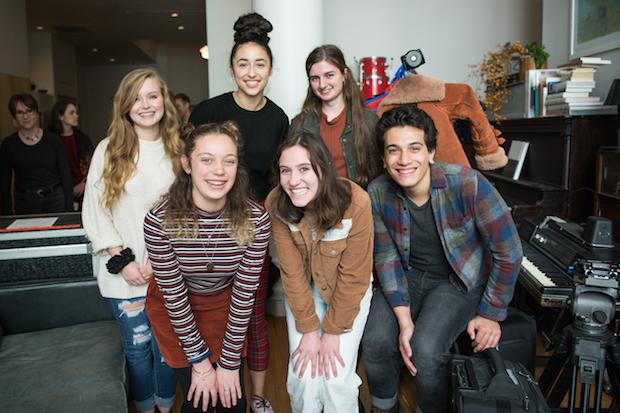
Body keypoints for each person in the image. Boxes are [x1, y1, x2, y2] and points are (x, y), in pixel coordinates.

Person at [361, 105, 523, 413]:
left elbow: (509, 252)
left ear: (431, 152)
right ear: (383, 158)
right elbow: (385, 258)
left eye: (414, 148)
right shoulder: (378, 192)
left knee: (426, 350)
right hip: (406, 275)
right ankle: (384, 408)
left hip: (457, 281)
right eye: (393, 150)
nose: (404, 160)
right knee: (375, 341)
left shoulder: (467, 184)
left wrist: (491, 314)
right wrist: (404, 321)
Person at [189, 12, 289, 413]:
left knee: (252, 320)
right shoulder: (207, 112)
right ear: (231, 69)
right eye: (243, 64)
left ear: (270, 69)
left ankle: (259, 397)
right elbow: (187, 171)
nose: (252, 72)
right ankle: (213, 386)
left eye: (259, 64)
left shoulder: (279, 118)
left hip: (254, 234)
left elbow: (280, 181)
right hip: (206, 232)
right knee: (208, 314)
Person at [144, 122, 271, 413]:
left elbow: (244, 295)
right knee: (199, 398)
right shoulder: (159, 221)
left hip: (225, 306)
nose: (219, 170)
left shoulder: (256, 220)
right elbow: (174, 297)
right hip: (173, 309)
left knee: (231, 401)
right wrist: (201, 363)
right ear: (187, 164)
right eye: (207, 160)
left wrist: (228, 364)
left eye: (229, 161)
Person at [82, 68, 182, 413]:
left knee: (167, 348)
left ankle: (165, 407)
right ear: (125, 106)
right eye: (136, 98)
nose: (145, 104)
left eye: (152, 96)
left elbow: (185, 213)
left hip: (166, 272)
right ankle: (144, 406)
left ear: (163, 101)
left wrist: (159, 262)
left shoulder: (179, 150)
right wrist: (123, 261)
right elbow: (96, 211)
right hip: (121, 274)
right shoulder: (108, 151)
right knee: (137, 347)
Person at [265, 132, 374, 413]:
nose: (293, 180)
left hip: (348, 291)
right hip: (305, 290)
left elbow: (355, 277)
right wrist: (310, 330)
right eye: (285, 171)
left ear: (323, 168)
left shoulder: (356, 202)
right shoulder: (276, 203)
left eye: (304, 169)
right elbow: (292, 274)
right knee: (304, 374)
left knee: (336, 378)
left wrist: (333, 332)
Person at [291, 44, 381, 189]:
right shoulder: (299, 124)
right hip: (315, 207)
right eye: (315, 78)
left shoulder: (369, 122)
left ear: (344, 75)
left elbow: (379, 178)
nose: (322, 84)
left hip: (357, 206)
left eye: (329, 75)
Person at [1, 93, 72, 215]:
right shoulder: (9, 144)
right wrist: (6, 216)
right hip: (26, 203)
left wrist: (69, 209)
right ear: (14, 117)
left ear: (36, 113)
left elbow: (66, 175)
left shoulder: (54, 140)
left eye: (29, 111)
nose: (25, 116)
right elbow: (4, 182)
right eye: (20, 112)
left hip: (55, 201)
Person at [48, 99, 94, 209]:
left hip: (84, 189)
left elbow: (92, 164)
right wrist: (69, 189)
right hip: (59, 192)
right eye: (71, 113)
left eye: (76, 112)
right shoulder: (50, 140)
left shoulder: (83, 138)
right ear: (60, 116)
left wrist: (84, 183)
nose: (76, 116)